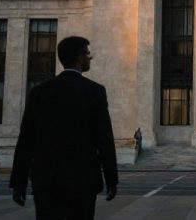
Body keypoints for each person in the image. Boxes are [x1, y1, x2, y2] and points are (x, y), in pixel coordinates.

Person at [10, 36, 118, 219]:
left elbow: (26, 139)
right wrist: (112, 179)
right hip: (83, 181)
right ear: (80, 58)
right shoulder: (94, 91)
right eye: (87, 54)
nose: (90, 58)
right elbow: (104, 138)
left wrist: (18, 183)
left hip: (47, 181)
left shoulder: (39, 92)